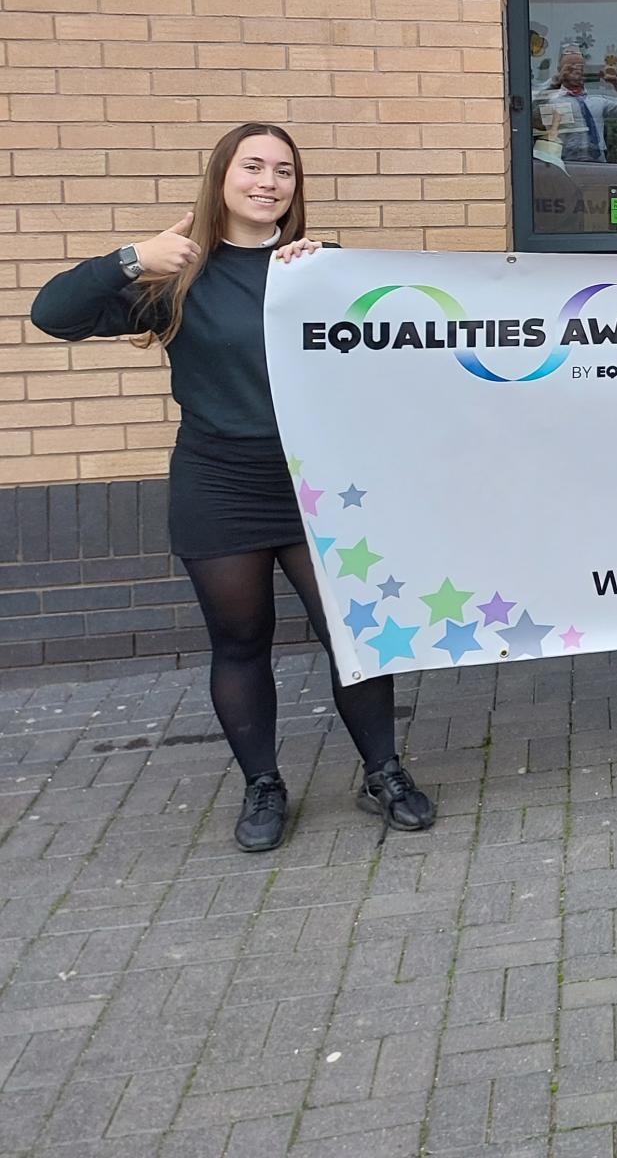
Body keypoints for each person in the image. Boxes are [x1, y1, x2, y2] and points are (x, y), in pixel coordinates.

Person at [29, 124, 436, 853]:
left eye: (283, 170)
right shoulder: (178, 273)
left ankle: (384, 771)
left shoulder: (324, 268)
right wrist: (131, 258)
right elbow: (52, 314)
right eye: (253, 166)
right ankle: (263, 785)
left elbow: (409, 342)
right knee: (241, 640)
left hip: (320, 485)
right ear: (222, 177)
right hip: (219, 482)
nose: (268, 181)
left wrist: (330, 281)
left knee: (355, 634)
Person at [538, 46, 617, 163]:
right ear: (560, 70)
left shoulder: (597, 101)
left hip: (598, 164)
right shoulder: (551, 100)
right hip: (564, 162)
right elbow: (529, 111)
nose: (576, 71)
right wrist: (553, 83)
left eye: (580, 68)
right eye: (570, 67)